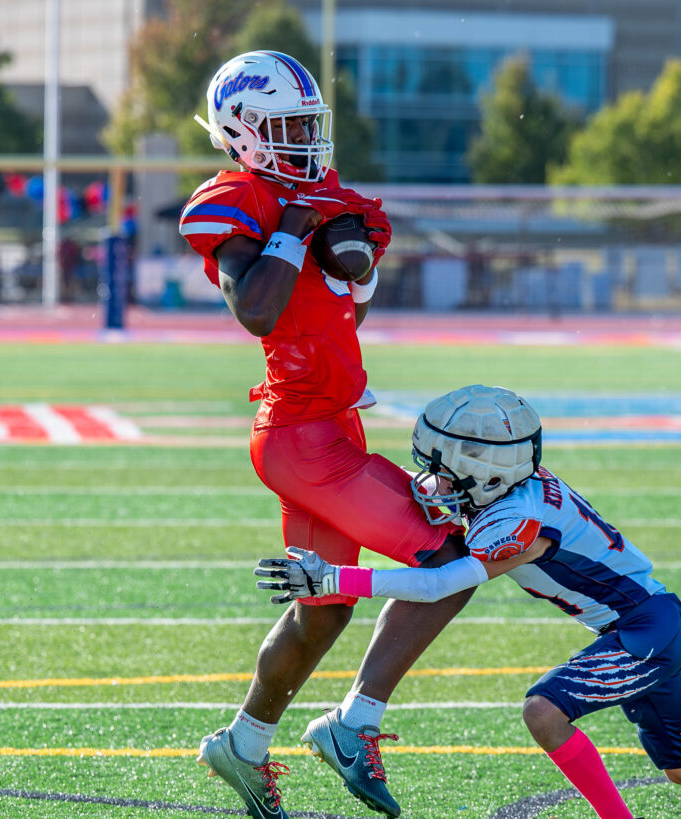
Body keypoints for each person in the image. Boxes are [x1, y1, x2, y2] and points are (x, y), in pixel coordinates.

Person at [256, 384, 681, 819]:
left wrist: (334, 579)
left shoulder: (516, 522)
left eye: (444, 470)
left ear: (487, 473)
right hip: (645, 625)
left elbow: (440, 584)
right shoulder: (514, 490)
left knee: (544, 712)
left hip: (645, 629)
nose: (432, 481)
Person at [178, 50, 473, 819]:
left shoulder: (317, 195)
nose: (305, 140)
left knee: (325, 606)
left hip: (326, 424)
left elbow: (344, 315)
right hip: (305, 438)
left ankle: (242, 744)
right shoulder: (238, 198)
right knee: (451, 557)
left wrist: (357, 267)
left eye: (309, 124)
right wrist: (294, 229)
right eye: (287, 126)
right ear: (243, 131)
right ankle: (354, 723)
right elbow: (256, 310)